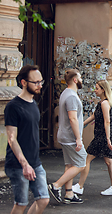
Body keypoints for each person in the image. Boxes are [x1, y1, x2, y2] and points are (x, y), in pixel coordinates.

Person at [4, 65, 50, 214]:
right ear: (24, 82)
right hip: (17, 165)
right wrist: (24, 164)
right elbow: (12, 139)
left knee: (43, 199)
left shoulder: (33, 105)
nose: (40, 85)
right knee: (21, 204)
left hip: (35, 162)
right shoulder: (13, 107)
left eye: (40, 81)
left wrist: (31, 163)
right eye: (35, 82)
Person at [72, 80, 112, 196]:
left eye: (97, 88)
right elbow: (93, 116)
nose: (95, 90)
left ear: (103, 90)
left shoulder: (104, 103)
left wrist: (108, 138)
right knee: (109, 162)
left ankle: (80, 186)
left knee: (87, 159)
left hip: (102, 137)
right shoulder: (102, 103)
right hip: (102, 136)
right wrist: (81, 124)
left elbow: (107, 121)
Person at [48, 69, 87, 204]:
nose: (82, 80)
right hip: (71, 137)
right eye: (80, 78)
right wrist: (78, 138)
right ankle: (56, 185)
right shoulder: (71, 96)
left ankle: (69, 193)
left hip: (64, 135)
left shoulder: (65, 93)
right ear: (75, 80)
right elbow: (73, 119)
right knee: (82, 163)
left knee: (69, 164)